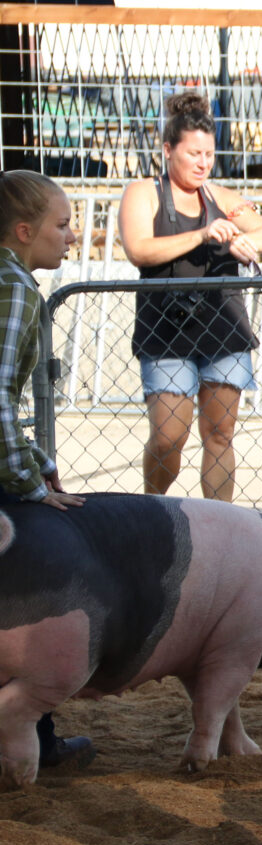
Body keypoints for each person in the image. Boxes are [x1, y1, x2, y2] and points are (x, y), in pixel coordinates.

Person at [119, 90, 262, 503]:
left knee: (221, 433)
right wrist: (203, 234)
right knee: (170, 434)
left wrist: (244, 240)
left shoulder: (221, 197)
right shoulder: (143, 193)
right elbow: (139, 249)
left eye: (209, 153)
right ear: (168, 149)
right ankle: (154, 506)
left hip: (224, 327)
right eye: (193, 154)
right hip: (166, 329)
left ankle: (219, 523)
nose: (203, 162)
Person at [0, 169, 93, 770]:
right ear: (25, 230)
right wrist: (29, 482)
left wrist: (41, 462)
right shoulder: (15, 290)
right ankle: (38, 736)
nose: (71, 236)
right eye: (61, 225)